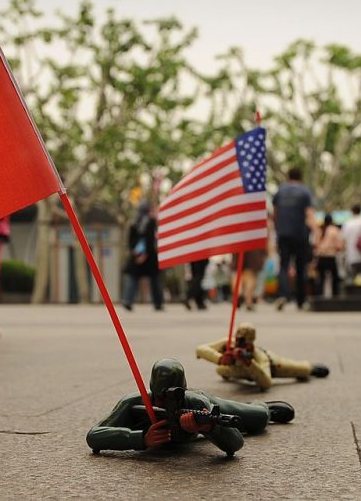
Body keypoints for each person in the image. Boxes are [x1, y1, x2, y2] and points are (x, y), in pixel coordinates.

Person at [86, 358, 294, 456]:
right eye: (161, 398)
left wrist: (210, 428)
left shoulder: (196, 403)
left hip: (204, 400)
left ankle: (265, 407)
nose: (167, 403)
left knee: (257, 418)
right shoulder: (134, 402)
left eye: (174, 397)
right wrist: (139, 438)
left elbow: (235, 446)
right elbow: (94, 436)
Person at [196, 323, 330, 391]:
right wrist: (220, 358)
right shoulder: (228, 343)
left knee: (298, 368)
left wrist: (249, 362)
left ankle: (312, 369)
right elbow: (200, 349)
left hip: (272, 366)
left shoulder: (259, 356)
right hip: (238, 371)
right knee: (220, 370)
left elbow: (266, 383)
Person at [272, 168, 316, 310]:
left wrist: (277, 229)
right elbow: (309, 214)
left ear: (287, 177)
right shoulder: (305, 192)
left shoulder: (280, 191)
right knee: (300, 267)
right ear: (301, 177)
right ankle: (300, 300)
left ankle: (283, 295)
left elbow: (275, 213)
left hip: (283, 234)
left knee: (284, 266)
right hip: (300, 234)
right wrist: (317, 232)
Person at [122, 201, 163, 311]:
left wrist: (136, 253)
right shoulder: (150, 222)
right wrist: (144, 254)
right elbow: (150, 239)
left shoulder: (134, 223)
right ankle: (158, 303)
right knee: (154, 280)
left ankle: (128, 300)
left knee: (133, 279)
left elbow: (130, 241)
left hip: (137, 255)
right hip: (148, 256)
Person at [314, 213, 344, 297]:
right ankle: (335, 295)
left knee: (321, 278)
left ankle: (319, 295)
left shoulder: (319, 230)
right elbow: (339, 245)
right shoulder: (334, 230)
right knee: (335, 277)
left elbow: (315, 244)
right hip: (331, 257)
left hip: (321, 257)